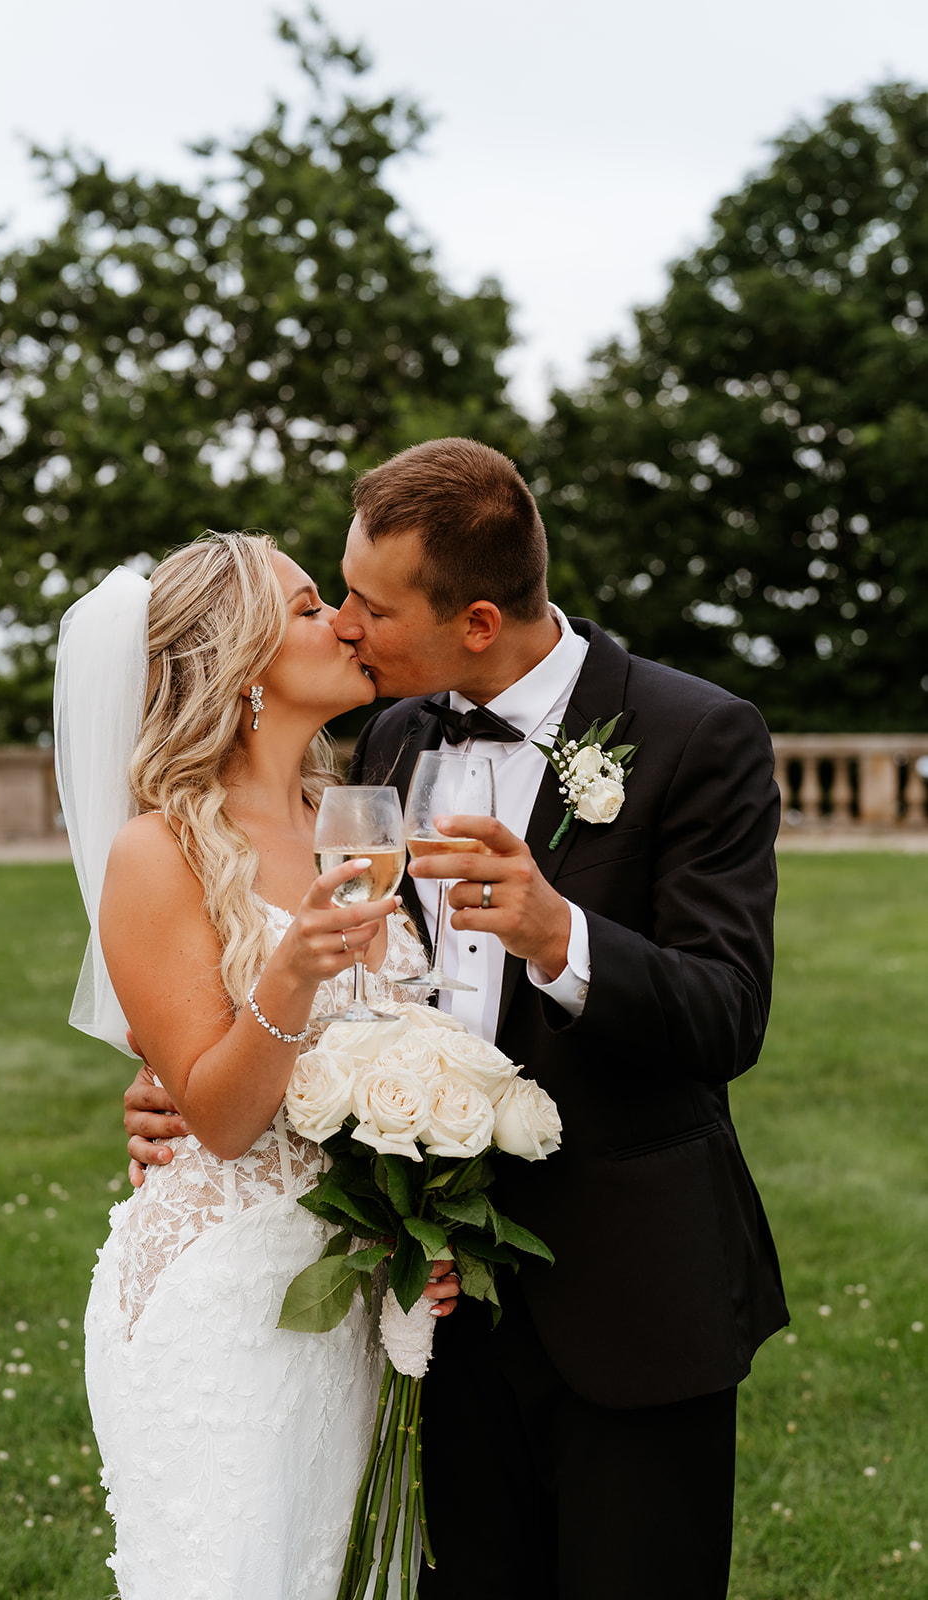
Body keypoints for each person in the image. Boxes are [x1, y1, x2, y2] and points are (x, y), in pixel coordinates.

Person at [125, 440, 788, 1599]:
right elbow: (285, 978)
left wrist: (558, 936)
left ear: (475, 620)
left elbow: (727, 1014)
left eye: (370, 607)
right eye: (332, 595)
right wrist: (178, 1082)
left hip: (629, 1294)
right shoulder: (389, 743)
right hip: (420, 1309)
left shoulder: (698, 737)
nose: (345, 624)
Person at [54, 532, 458, 1600]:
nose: (344, 622)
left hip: (350, 1291)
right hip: (222, 1305)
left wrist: (433, 1219)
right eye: (310, 605)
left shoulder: (358, 817)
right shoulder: (160, 851)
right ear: (238, 661)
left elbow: (399, 1039)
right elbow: (221, 1120)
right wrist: (290, 970)